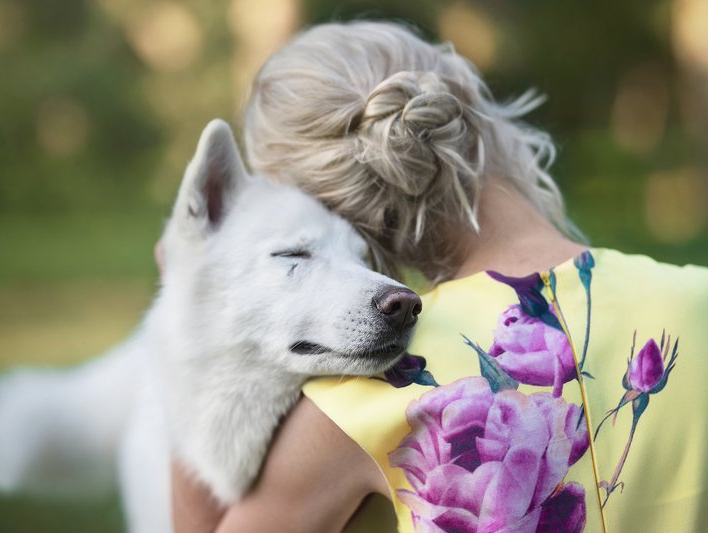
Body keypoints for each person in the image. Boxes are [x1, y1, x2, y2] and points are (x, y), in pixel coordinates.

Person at [172, 21, 708, 532]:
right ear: (470, 106)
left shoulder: (368, 392)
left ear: (326, 204)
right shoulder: (697, 299)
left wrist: (187, 280)